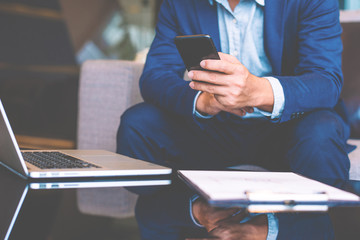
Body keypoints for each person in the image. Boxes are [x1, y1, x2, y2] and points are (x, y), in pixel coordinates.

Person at [117, 0, 350, 239]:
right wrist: (202, 102)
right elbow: (155, 75)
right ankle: (181, 204)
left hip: (285, 129)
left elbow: (325, 81)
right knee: (138, 123)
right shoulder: (180, 3)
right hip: (212, 129)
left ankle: (302, 221)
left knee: (322, 132)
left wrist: (257, 90)